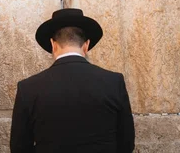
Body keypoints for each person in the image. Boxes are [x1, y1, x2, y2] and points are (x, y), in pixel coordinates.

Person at [10, 8, 135, 153]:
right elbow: (126, 143)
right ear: (86, 45)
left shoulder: (28, 88)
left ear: (53, 45)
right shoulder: (114, 82)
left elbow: (19, 147)